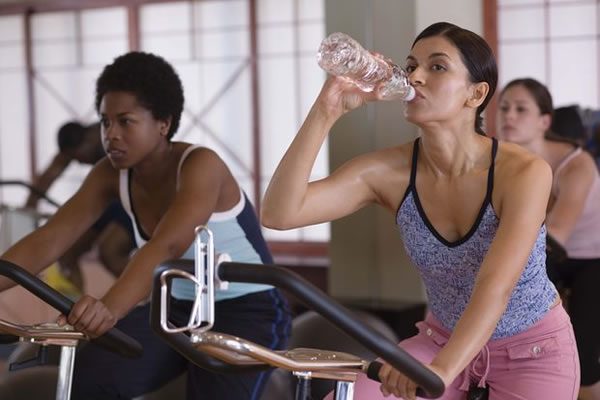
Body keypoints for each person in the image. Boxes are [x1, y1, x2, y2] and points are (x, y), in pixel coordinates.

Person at [262, 22, 579, 400]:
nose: (415, 76)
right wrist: (326, 109)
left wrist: (442, 371)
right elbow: (279, 214)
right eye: (411, 65)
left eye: (437, 67)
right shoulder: (388, 173)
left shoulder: (524, 172)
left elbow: (496, 287)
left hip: (531, 351)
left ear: (475, 94)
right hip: (439, 341)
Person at [0, 51, 290, 400]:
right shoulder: (109, 174)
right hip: (175, 310)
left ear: (163, 123)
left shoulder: (200, 165)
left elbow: (166, 246)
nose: (112, 135)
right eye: (105, 122)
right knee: (91, 380)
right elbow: (50, 238)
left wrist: (108, 307)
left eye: (125, 121)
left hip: (247, 309)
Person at [497, 77, 600, 400]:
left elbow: (555, 238)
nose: (509, 116)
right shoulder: (498, 158)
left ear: (544, 121)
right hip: (536, 252)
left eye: (520, 109)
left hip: (586, 257)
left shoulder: (576, 165)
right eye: (503, 108)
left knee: (583, 353)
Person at [25, 120, 135, 292]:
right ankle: (73, 309)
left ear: (89, 140)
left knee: (109, 251)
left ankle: (146, 299)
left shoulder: (114, 138)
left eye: (78, 157)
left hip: (135, 197)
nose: (78, 162)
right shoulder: (74, 146)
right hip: (110, 200)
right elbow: (48, 177)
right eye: (73, 158)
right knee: (67, 252)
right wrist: (27, 211)